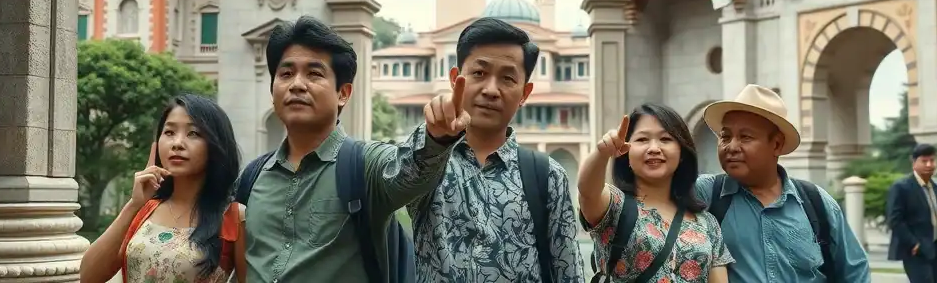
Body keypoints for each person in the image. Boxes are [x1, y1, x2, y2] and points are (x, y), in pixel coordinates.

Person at [241, 15, 467, 283]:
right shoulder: (252, 178)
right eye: (286, 73)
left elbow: (409, 171)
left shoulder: (364, 164)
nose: (297, 84)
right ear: (273, 88)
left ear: (343, 93)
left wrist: (436, 137)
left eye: (314, 73)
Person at [407, 17, 584, 282]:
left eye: (508, 78)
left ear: (525, 93)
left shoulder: (548, 175)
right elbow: (391, 184)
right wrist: (432, 138)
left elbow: (568, 270)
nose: (491, 90)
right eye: (479, 73)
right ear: (456, 79)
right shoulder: (425, 159)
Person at [695, 84, 870, 283]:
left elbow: (855, 273)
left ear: (776, 144)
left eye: (745, 137)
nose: (732, 146)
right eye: (725, 136)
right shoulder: (705, 195)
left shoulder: (816, 203)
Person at [79, 94, 245, 283]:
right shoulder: (145, 210)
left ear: (216, 145)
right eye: (169, 132)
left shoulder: (233, 217)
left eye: (193, 133)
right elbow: (88, 277)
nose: (177, 143)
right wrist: (134, 205)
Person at [579, 103, 733, 282]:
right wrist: (602, 153)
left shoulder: (707, 223)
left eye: (665, 139)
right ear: (626, 152)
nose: (654, 148)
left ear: (682, 152)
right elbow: (587, 191)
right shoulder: (615, 206)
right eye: (642, 140)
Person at [887, 143, 937, 283]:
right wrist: (914, 243)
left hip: (936, 250)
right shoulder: (901, 187)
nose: (929, 164)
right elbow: (895, 220)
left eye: (932, 160)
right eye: (924, 161)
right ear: (914, 162)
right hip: (916, 251)